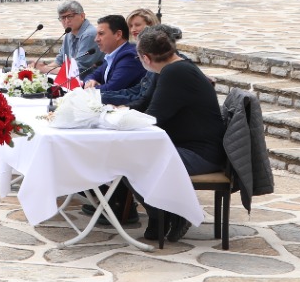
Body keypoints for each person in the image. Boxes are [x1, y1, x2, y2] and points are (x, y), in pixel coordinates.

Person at [139, 24, 226, 243]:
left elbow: (154, 118)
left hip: (201, 154)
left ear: (146, 58)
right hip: (191, 147)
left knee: (134, 162)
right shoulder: (174, 68)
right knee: (132, 158)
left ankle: (174, 213)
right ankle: (162, 216)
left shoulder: (175, 72)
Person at [36, 1, 103, 78]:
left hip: (90, 82)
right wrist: (39, 69)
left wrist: (44, 69)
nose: (66, 21)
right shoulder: (69, 32)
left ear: (82, 16)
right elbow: (60, 60)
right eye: (63, 18)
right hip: (71, 79)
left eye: (70, 16)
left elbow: (77, 69)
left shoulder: (89, 35)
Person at [84, 14, 143, 96]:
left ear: (118, 35)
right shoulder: (111, 54)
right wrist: (90, 82)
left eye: (101, 34)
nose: (96, 39)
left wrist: (91, 89)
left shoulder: (130, 56)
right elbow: (92, 75)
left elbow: (112, 88)